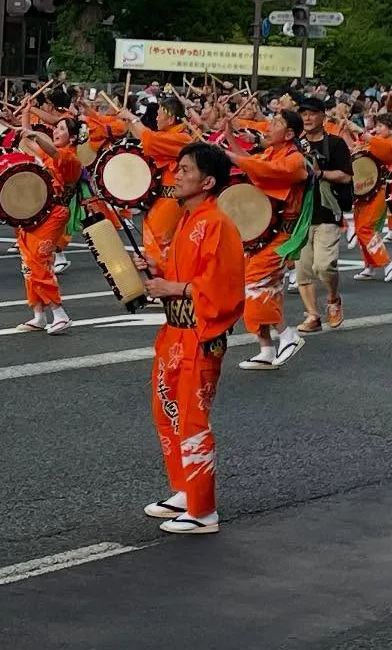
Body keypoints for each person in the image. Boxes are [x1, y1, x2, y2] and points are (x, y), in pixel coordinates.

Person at [138, 142, 245, 535]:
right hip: (174, 333)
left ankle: (203, 510)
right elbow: (181, 271)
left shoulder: (217, 223)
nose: (177, 176)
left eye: (185, 170)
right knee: (168, 412)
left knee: (193, 417)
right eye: (177, 168)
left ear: (209, 181)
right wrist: (154, 268)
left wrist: (173, 287)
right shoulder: (187, 220)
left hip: (200, 334)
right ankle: (184, 488)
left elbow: (223, 288)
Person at [226, 109, 310, 371]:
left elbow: (263, 170)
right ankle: (266, 348)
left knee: (256, 284)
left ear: (290, 134)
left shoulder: (295, 159)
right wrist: (229, 138)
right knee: (264, 288)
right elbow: (250, 161)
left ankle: (287, 335)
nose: (269, 126)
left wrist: (230, 154)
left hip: (280, 234)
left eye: (276, 123)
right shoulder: (271, 153)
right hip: (261, 234)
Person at [14, 114, 82, 334]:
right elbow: (29, 141)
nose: (56, 131)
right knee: (27, 261)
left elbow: (51, 150)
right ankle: (38, 315)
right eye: (56, 128)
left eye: (61, 129)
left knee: (38, 260)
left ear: (72, 138)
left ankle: (59, 313)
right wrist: (27, 113)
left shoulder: (71, 159)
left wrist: (36, 135)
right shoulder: (50, 154)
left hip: (54, 213)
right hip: (36, 212)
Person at [293, 97, 355, 330]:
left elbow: (347, 176)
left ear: (323, 116)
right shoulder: (296, 145)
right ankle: (312, 315)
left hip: (327, 211)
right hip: (301, 214)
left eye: (312, 113)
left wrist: (321, 174)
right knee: (303, 269)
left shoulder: (336, 144)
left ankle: (332, 298)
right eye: (304, 114)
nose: (307, 118)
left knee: (324, 266)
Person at [117, 95, 192, 269]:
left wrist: (132, 118)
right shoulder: (168, 135)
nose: (156, 118)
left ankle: (166, 281)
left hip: (173, 200)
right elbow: (147, 140)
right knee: (156, 242)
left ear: (171, 118)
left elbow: (150, 139)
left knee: (163, 242)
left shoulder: (183, 139)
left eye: (159, 114)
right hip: (161, 199)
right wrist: (129, 122)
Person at [345, 116, 392, 289]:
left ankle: (387, 263)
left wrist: (360, 131)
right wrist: (348, 130)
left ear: (391, 129)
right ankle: (369, 265)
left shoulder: (390, 145)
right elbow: (354, 148)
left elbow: (381, 149)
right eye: (376, 126)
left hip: (380, 188)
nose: (377, 129)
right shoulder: (373, 141)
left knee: (366, 227)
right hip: (364, 190)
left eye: (381, 126)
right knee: (361, 226)